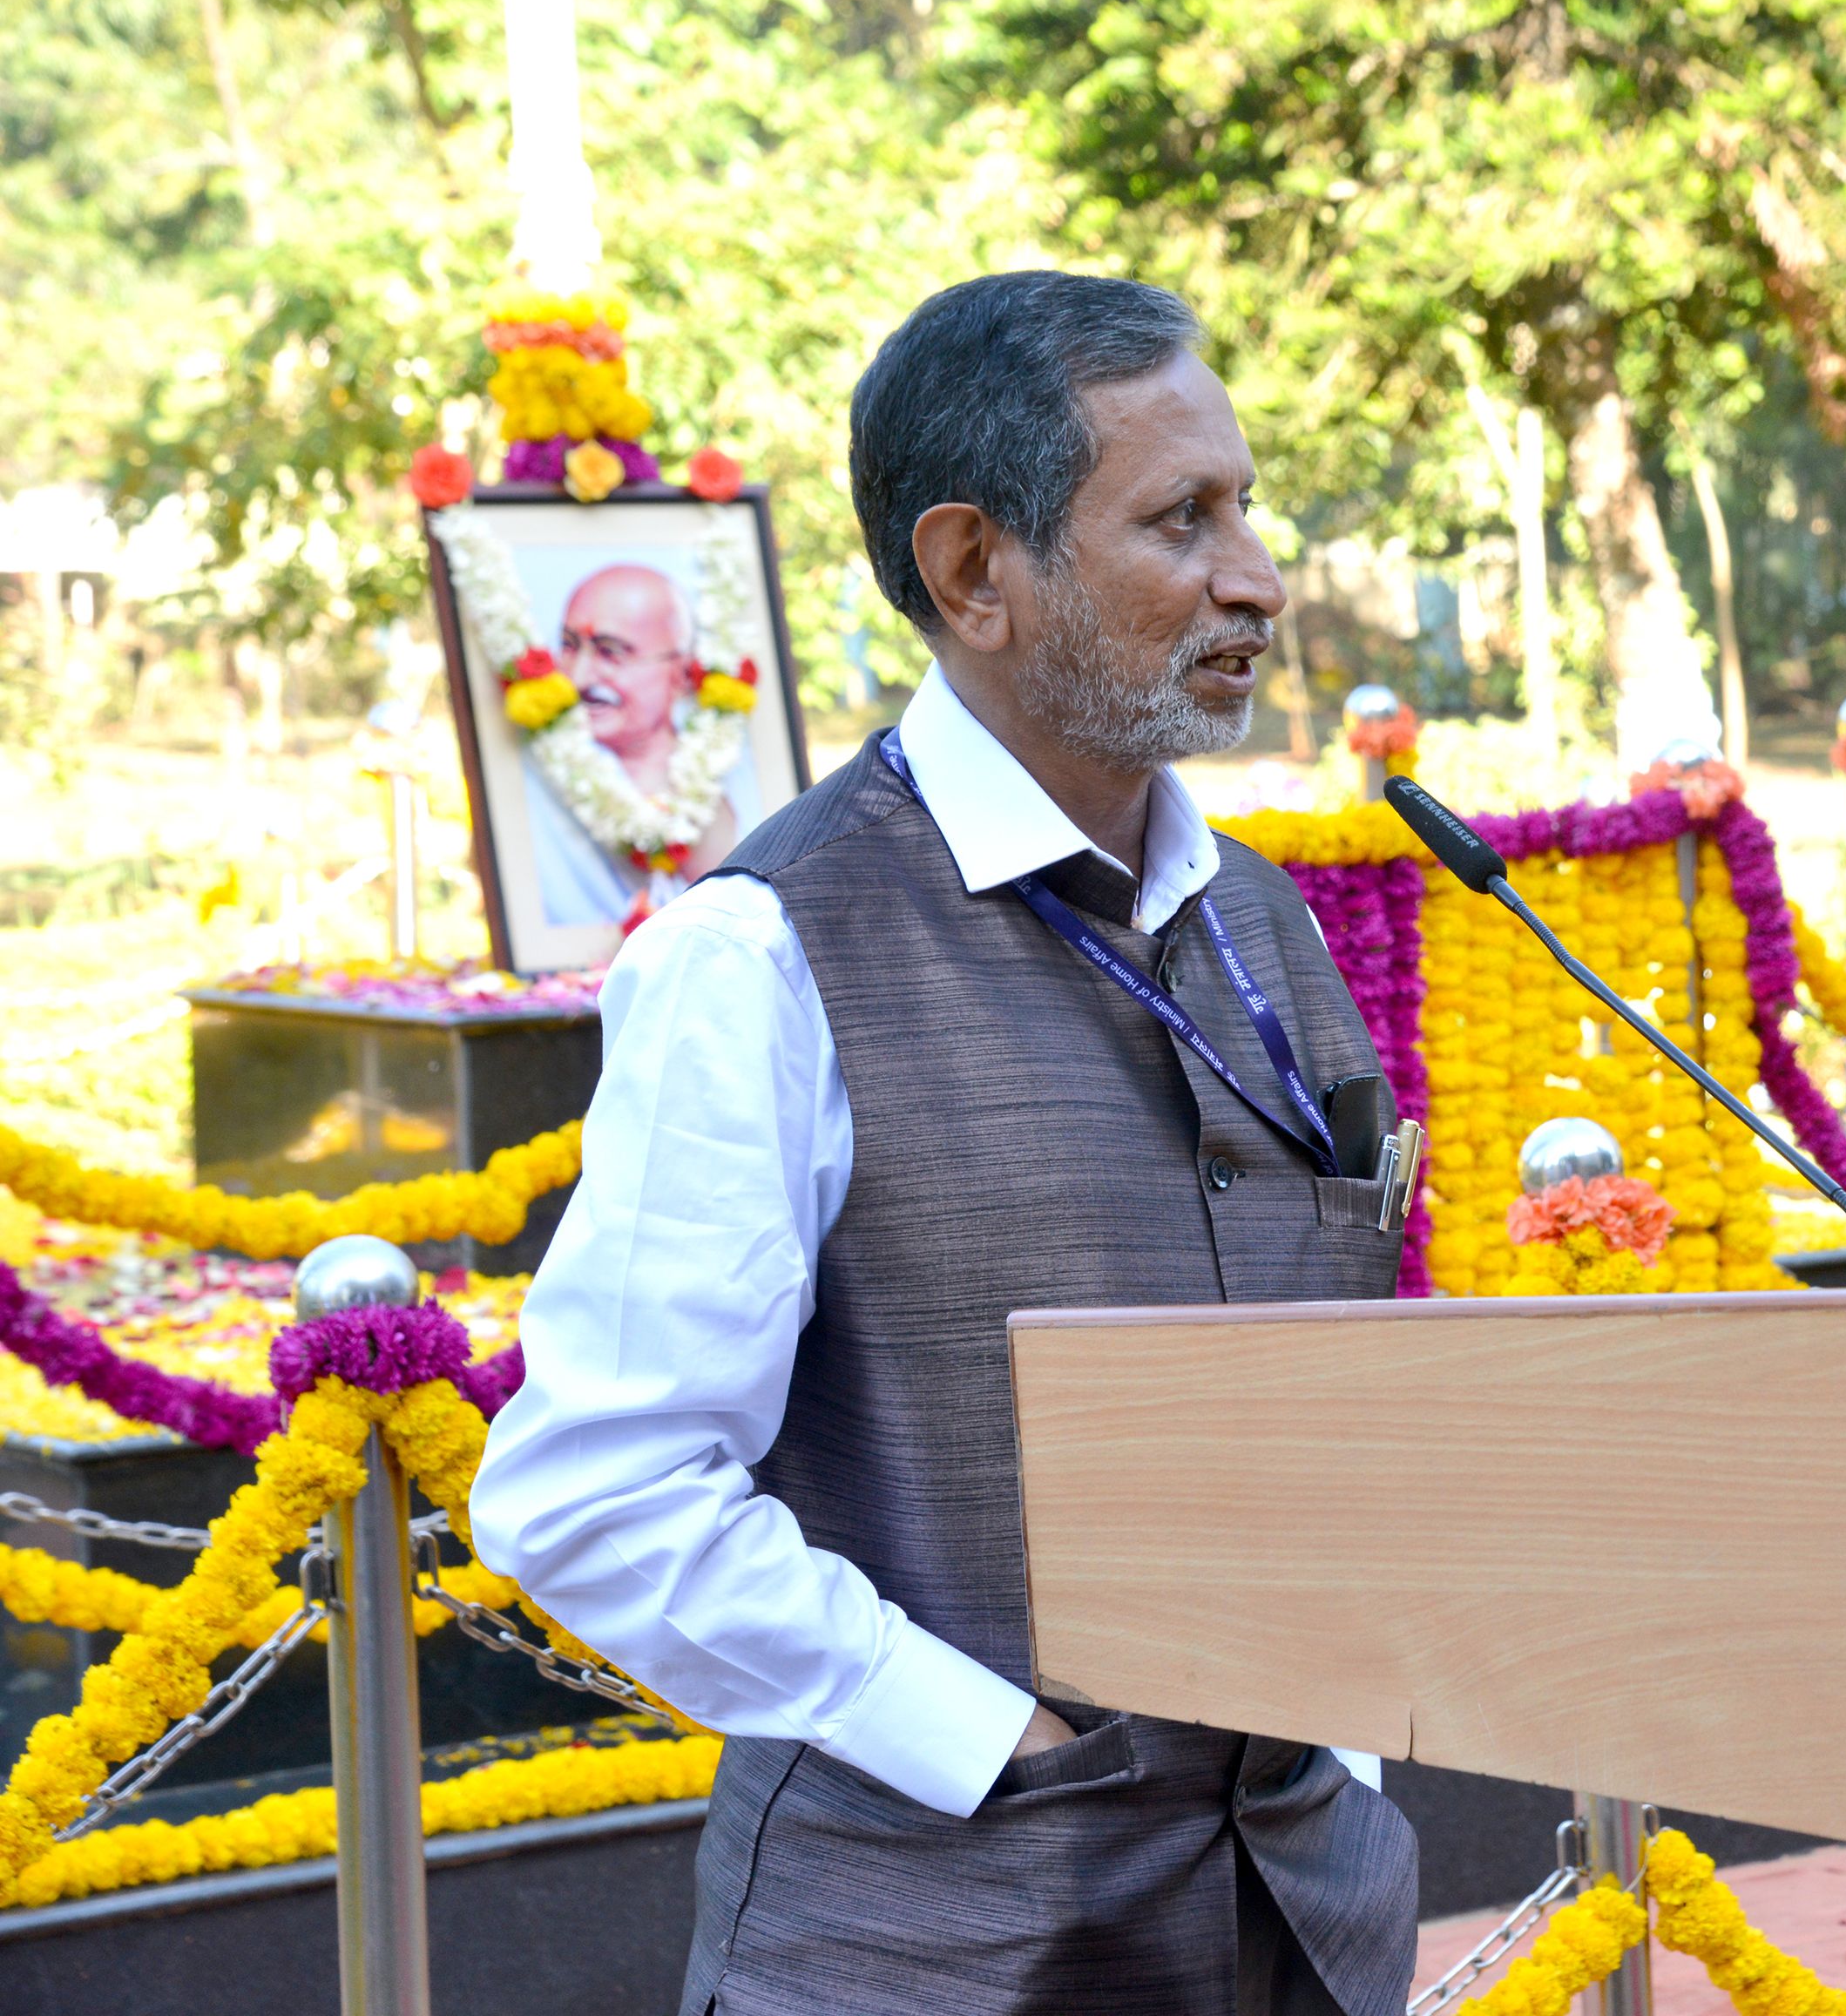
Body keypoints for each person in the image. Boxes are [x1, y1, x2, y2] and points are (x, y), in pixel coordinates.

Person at [470, 272, 1417, 2015]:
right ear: (977, 569)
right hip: (930, 1955)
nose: (1257, 582)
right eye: (1182, 520)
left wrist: (1344, 1757)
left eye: (1248, 512)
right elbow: (590, 1493)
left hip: (1307, 1929)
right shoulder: (762, 952)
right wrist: (992, 1744)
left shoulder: (1265, 927)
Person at [517, 560, 755, 926]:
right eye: (568, 647)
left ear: (684, 672)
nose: (578, 678)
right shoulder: (527, 780)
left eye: (611, 652)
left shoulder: (736, 777)